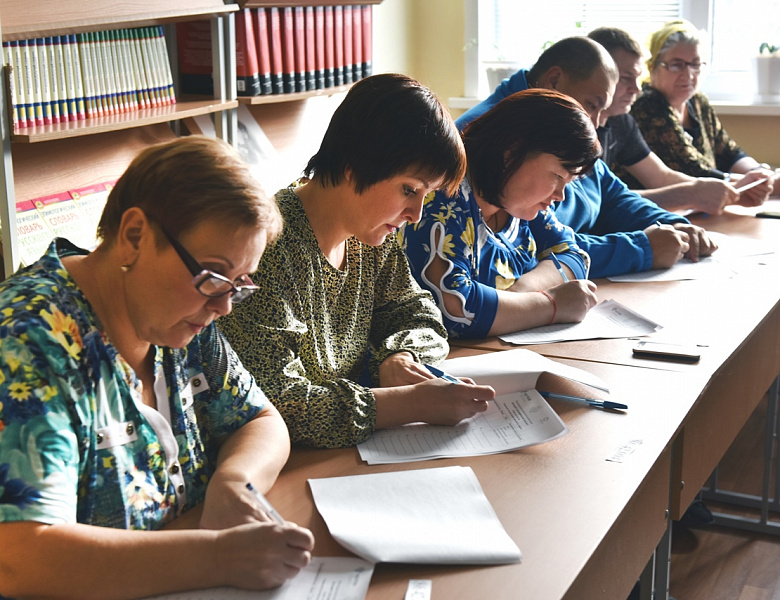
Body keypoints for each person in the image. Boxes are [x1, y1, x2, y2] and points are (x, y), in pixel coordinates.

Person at [0, 137, 315, 600]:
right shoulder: (26, 341)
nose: (225, 307)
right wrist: (219, 558)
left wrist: (234, 482)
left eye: (238, 285)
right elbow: (19, 557)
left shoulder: (181, 315)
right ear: (134, 236)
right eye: (214, 276)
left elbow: (261, 420)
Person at [218, 74, 495, 450]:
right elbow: (277, 404)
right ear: (356, 164)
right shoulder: (265, 249)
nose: (415, 214)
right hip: (285, 463)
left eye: (425, 195)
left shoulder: (370, 236)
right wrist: (409, 404)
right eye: (409, 190)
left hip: (347, 452)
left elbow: (420, 314)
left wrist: (399, 356)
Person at [457, 36, 717, 279]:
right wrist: (642, 250)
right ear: (554, 80)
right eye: (592, 105)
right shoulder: (494, 138)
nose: (596, 124)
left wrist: (670, 225)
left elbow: (611, 194)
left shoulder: (566, 125)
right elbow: (531, 248)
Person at [401, 89, 600, 339]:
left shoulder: (519, 204)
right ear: (512, 151)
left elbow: (574, 257)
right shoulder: (441, 199)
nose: (561, 195)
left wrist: (520, 295)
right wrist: (551, 305)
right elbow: (456, 311)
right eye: (558, 176)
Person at [587, 26, 741, 215]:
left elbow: (661, 177)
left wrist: (726, 191)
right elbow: (598, 201)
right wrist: (691, 194)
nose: (637, 89)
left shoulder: (622, 121)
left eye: (637, 78)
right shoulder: (573, 126)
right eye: (626, 78)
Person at [630, 19, 774, 208]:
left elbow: (729, 152)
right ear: (652, 66)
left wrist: (759, 173)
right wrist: (750, 183)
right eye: (676, 65)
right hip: (658, 211)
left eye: (696, 64)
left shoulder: (698, 102)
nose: (689, 74)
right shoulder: (647, 105)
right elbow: (693, 171)